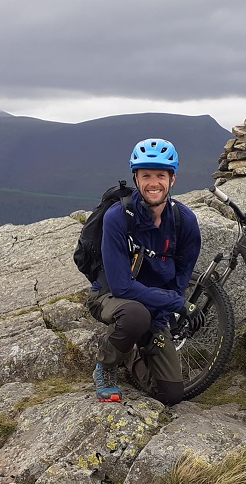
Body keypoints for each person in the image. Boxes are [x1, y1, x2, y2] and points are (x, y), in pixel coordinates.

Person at [85, 138, 203, 405]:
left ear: (172, 179)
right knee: (135, 315)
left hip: (154, 308)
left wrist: (163, 318)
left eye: (160, 175)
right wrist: (177, 304)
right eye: (146, 175)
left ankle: (130, 354)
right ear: (136, 178)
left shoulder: (185, 222)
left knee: (171, 395)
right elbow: (121, 287)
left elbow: (180, 279)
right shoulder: (118, 217)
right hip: (110, 296)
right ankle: (106, 366)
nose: (153, 183)